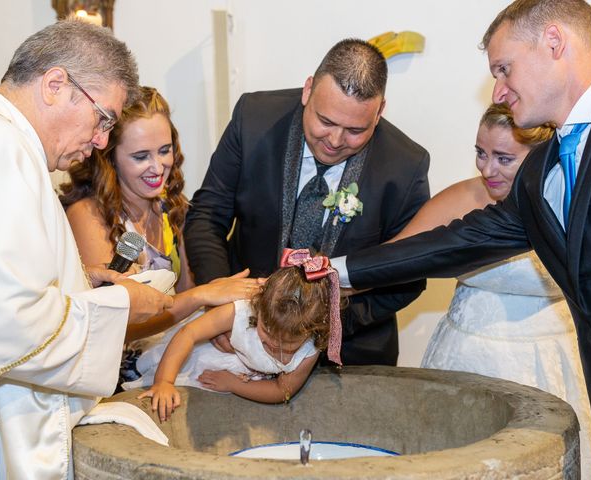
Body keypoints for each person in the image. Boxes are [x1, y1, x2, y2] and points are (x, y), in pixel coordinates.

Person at [335, 0, 591, 476]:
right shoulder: (541, 171)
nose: (499, 91)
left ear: (554, 43)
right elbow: (457, 242)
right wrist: (336, 273)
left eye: (505, 69)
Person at [0, 19, 173, 479]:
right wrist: (122, 304)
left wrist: (85, 286)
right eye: (103, 117)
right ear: (55, 85)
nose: (102, 140)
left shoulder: (4, 143)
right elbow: (4, 323)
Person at [184, 38, 430, 366]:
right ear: (308, 90)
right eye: (325, 121)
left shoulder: (405, 166)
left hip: (348, 354)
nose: (335, 140)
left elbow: (408, 275)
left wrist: (321, 327)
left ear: (379, 111)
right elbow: (207, 215)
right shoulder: (253, 119)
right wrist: (220, 303)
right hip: (237, 337)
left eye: (355, 130)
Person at [391, 103, 591, 478]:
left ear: (541, 157)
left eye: (504, 158)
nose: (487, 169)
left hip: (551, 364)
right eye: (480, 153)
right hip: (465, 360)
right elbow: (392, 260)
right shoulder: (460, 199)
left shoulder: (574, 206)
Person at [59, 86, 262, 388]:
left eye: (164, 150)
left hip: (166, 351)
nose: (158, 167)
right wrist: (203, 295)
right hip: (110, 373)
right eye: (141, 156)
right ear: (109, 157)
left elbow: (183, 295)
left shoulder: (169, 204)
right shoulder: (88, 214)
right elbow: (113, 325)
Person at [129, 249, 341, 422]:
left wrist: (234, 384)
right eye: (266, 332)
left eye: (286, 345)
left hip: (240, 379)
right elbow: (189, 334)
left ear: (311, 333)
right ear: (259, 308)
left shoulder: (309, 349)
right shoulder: (240, 311)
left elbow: (282, 390)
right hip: (204, 356)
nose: (272, 345)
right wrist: (164, 381)